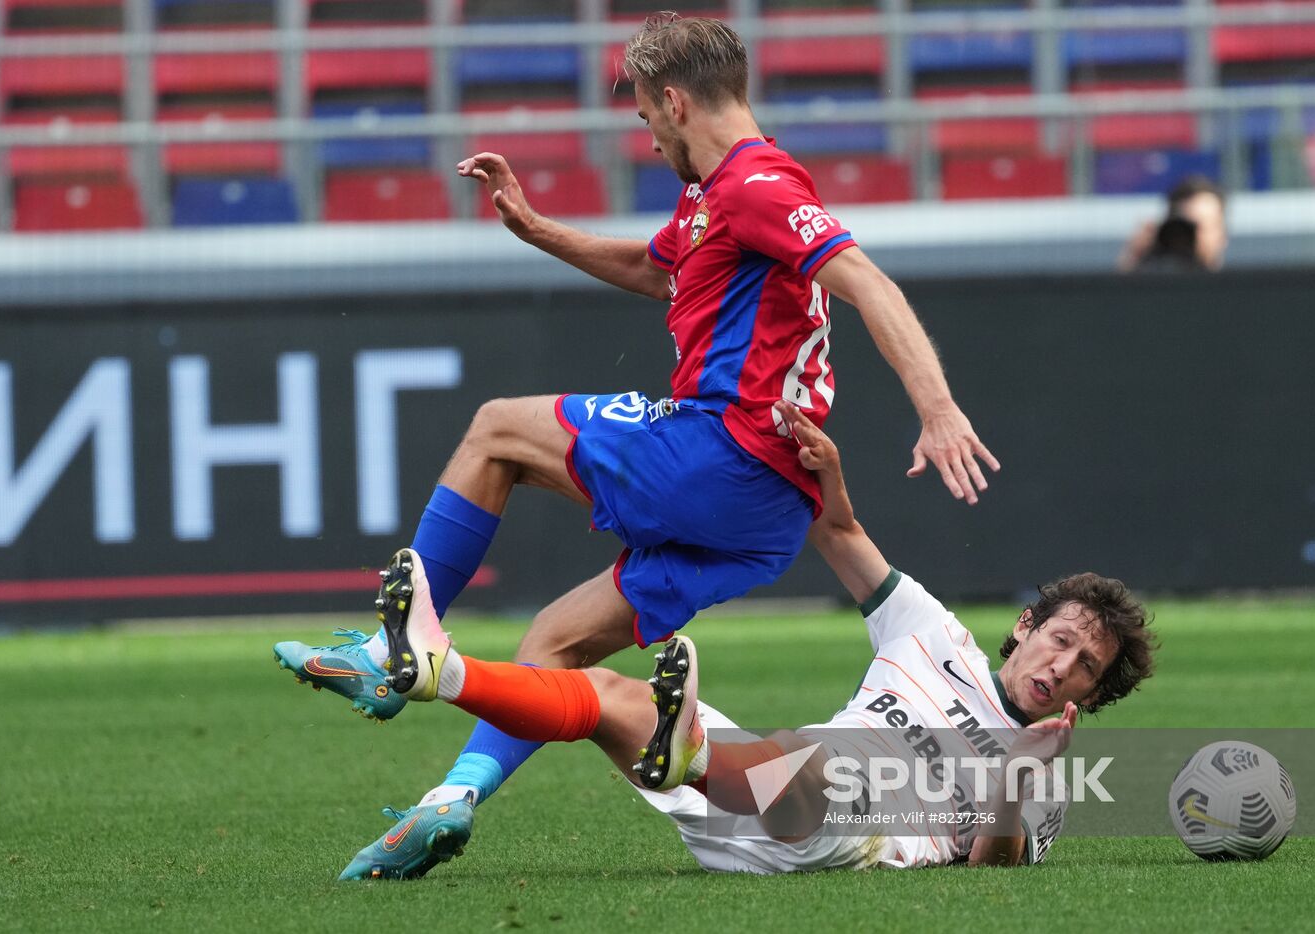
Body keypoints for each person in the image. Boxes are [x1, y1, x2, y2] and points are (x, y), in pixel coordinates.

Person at [276, 12, 997, 877]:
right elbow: (658, 272)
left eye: (647, 116)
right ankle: (449, 802)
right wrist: (539, 229)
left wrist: (939, 406)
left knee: (497, 430)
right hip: (770, 515)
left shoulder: (757, 185)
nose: (647, 136)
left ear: (674, 98)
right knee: (558, 642)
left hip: (723, 451)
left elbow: (866, 280)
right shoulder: (712, 197)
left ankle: (403, 641)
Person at [336, 402, 1156, 879]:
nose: (1063, 665)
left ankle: (689, 753)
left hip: (844, 829)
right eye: (1061, 639)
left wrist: (1014, 774)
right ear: (1025, 627)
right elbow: (837, 533)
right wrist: (824, 472)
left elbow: (995, 869)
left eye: (1087, 667)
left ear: (1094, 695)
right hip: (751, 816)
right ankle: (439, 673)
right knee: (602, 697)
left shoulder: (1048, 766)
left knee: (830, 768)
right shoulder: (931, 630)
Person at [1118, 176, 1228, 272]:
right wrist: (1133, 258)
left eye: (1201, 227)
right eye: (1186, 226)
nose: (1193, 235)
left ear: (1222, 235)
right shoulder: (1155, 285)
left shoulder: (1237, 292)